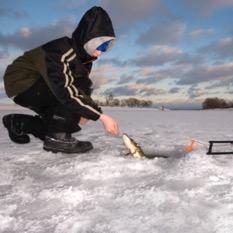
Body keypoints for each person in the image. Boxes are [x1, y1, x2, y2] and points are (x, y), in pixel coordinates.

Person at [2, 6, 120, 154]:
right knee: (79, 88)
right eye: (100, 45)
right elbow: (67, 90)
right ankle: (57, 138)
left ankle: (18, 122)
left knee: (69, 123)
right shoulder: (61, 50)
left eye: (106, 47)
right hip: (22, 82)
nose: (101, 52)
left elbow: (77, 93)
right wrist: (101, 116)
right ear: (87, 38)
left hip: (41, 89)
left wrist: (84, 113)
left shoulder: (85, 62)